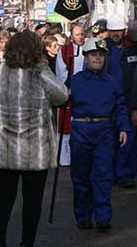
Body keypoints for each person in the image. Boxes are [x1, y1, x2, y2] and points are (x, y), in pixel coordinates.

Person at [0, 31, 69, 247]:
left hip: (3, 145)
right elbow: (62, 95)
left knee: (3, 198)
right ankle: (27, 243)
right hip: (33, 148)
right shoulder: (41, 73)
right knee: (32, 200)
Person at [69, 37, 131, 233]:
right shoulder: (75, 80)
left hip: (104, 131)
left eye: (101, 55)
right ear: (85, 58)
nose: (97, 58)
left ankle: (103, 217)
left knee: (103, 176)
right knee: (80, 177)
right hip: (80, 131)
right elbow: (62, 101)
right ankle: (83, 215)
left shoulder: (111, 82)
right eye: (93, 54)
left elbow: (120, 107)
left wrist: (123, 128)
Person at [104, 16, 137, 189]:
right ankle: (109, 174)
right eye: (112, 31)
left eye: (118, 31)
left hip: (127, 102)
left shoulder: (133, 49)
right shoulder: (102, 50)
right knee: (109, 141)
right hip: (107, 103)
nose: (115, 34)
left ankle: (125, 175)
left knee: (128, 141)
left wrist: (136, 107)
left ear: (124, 31)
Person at [55, 24, 86, 167]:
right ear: (72, 36)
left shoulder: (89, 49)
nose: (80, 37)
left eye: (82, 34)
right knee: (65, 127)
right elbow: (61, 72)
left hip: (85, 93)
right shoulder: (64, 51)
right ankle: (64, 158)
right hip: (69, 91)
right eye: (77, 34)